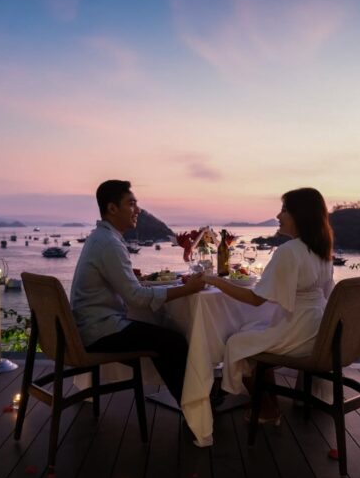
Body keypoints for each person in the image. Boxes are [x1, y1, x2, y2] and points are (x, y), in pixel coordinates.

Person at [203, 187, 335, 422]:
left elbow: (256, 300)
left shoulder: (289, 252)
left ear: (299, 215)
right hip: (319, 331)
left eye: (284, 210)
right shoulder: (322, 250)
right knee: (251, 331)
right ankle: (268, 404)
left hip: (300, 332)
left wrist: (214, 281)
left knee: (236, 343)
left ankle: (264, 407)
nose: (278, 216)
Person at [72, 180, 205, 403]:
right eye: (131, 204)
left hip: (89, 324)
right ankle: (195, 405)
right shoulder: (109, 243)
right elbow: (136, 298)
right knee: (173, 341)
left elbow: (119, 285)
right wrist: (187, 289)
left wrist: (131, 277)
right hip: (99, 331)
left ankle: (196, 398)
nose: (138, 210)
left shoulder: (101, 237)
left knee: (164, 335)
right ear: (112, 208)